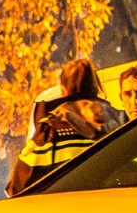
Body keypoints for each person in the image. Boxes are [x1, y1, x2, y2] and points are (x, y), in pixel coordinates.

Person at [7, 57, 126, 196]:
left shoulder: (49, 129)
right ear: (96, 87)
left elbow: (16, 187)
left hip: (69, 211)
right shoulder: (120, 122)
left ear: (63, 90)